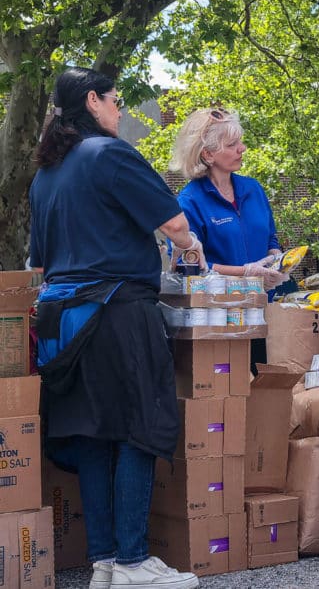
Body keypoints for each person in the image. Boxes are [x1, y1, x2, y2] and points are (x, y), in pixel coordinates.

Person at [29, 67, 201, 589]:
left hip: (62, 321)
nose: (121, 110)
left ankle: (105, 560)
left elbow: (39, 261)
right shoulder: (111, 154)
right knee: (139, 428)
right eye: (116, 101)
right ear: (93, 102)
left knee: (92, 436)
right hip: (117, 312)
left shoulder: (45, 174)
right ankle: (132, 560)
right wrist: (192, 246)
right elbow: (173, 224)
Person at [170, 107, 287, 374]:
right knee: (226, 400)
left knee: (264, 391)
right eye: (232, 144)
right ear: (207, 154)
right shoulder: (189, 202)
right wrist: (246, 273)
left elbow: (271, 237)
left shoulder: (253, 189)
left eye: (240, 142)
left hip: (261, 311)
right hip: (218, 318)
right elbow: (191, 267)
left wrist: (276, 262)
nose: (242, 149)